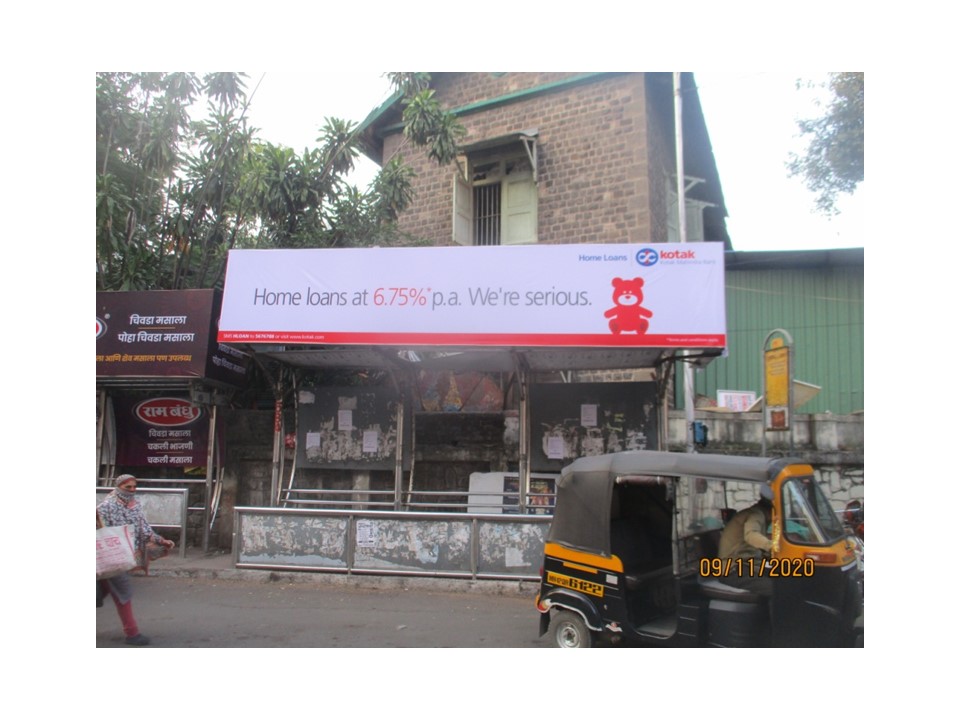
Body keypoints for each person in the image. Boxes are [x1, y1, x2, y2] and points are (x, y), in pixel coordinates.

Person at [97, 474, 175, 646]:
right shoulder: (106, 507)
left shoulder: (135, 506)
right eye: (128, 488)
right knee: (123, 592)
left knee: (109, 589)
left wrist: (160, 540)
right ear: (118, 487)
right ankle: (132, 633)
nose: (132, 491)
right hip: (111, 556)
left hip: (124, 555)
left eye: (134, 487)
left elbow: (144, 528)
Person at [717, 484, 774, 596]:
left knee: (783, 578)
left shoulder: (757, 513)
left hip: (744, 565)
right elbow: (751, 535)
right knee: (773, 588)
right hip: (732, 570)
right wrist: (772, 546)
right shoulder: (756, 515)